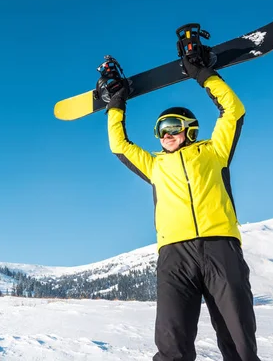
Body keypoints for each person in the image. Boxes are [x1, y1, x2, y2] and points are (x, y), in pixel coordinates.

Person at [102, 54, 261, 361]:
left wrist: (203, 74)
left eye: (172, 126)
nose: (166, 135)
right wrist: (117, 104)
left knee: (238, 338)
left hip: (220, 248)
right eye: (160, 130)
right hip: (174, 255)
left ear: (190, 128)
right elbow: (119, 145)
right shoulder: (154, 165)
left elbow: (233, 110)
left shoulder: (215, 152)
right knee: (172, 340)